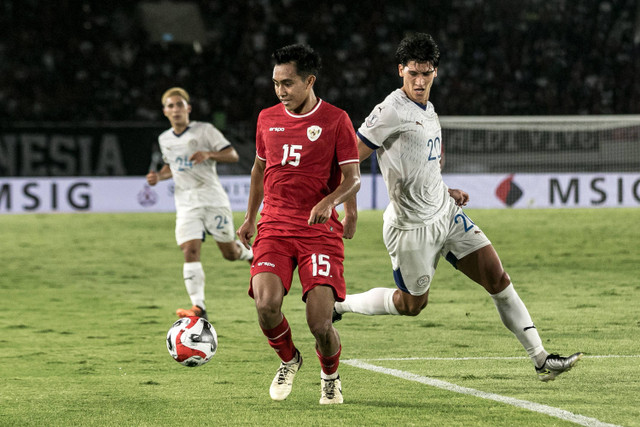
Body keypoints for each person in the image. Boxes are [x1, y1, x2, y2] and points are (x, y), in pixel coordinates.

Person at [334, 33, 582, 382]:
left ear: (435, 71)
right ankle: (340, 304)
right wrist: (351, 210)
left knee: (498, 278)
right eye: (413, 74)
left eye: (427, 73)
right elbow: (347, 159)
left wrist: (446, 190)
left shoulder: (429, 109)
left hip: (446, 214)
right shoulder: (389, 111)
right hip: (411, 228)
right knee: (412, 305)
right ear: (400, 71)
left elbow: (425, 162)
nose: (419, 82)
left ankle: (541, 358)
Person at [236, 44, 360, 404]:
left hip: (318, 233)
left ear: (309, 81)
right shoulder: (266, 118)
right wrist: (249, 217)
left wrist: (332, 203)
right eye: (276, 84)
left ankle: (330, 375)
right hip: (274, 224)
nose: (281, 91)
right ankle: (289, 360)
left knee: (320, 324)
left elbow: (352, 178)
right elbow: (259, 169)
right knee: (266, 305)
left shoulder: (336, 120)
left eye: (288, 83)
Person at [146, 87, 253, 320]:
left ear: (188, 108)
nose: (176, 109)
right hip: (185, 203)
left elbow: (232, 154)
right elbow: (170, 167)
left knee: (230, 254)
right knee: (190, 250)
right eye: (171, 106)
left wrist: (209, 154)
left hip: (212, 199)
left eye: (179, 105)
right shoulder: (164, 139)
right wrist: (159, 177)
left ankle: (250, 255)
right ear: (165, 111)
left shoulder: (205, 130)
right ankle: (199, 307)